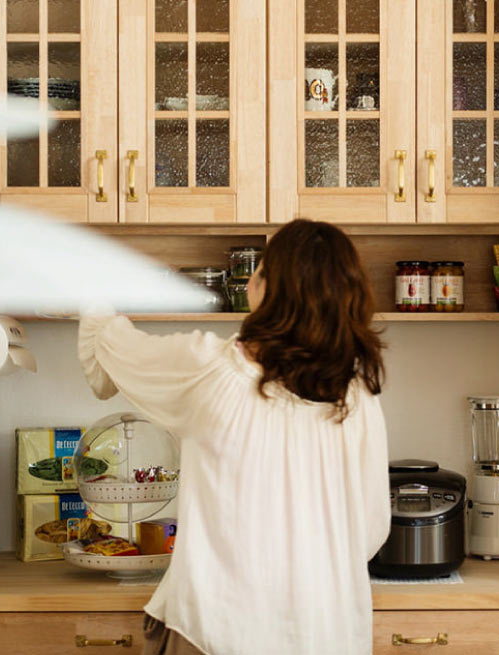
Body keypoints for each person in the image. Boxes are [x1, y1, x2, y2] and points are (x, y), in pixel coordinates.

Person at [78, 219, 391, 655]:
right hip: (324, 631)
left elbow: (113, 347)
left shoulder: (209, 368)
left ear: (266, 289)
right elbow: (371, 530)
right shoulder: (359, 399)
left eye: (259, 272)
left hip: (214, 628)